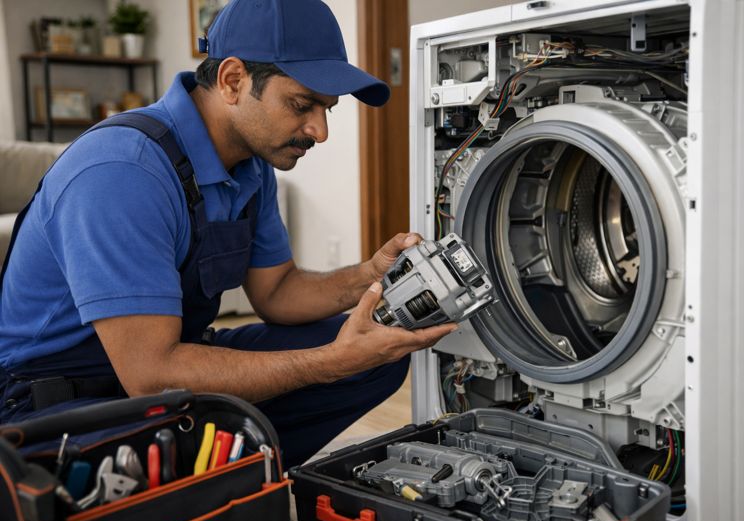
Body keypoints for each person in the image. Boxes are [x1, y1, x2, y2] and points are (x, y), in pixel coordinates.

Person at [0, 0, 455, 467]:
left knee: (378, 358)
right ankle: (220, 478)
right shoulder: (122, 170)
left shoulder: (252, 166)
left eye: (327, 110)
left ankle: (235, 474)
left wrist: (371, 275)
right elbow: (151, 376)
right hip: (52, 402)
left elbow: (277, 292)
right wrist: (329, 362)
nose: (319, 131)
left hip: (167, 366)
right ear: (233, 80)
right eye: (302, 105)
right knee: (330, 367)